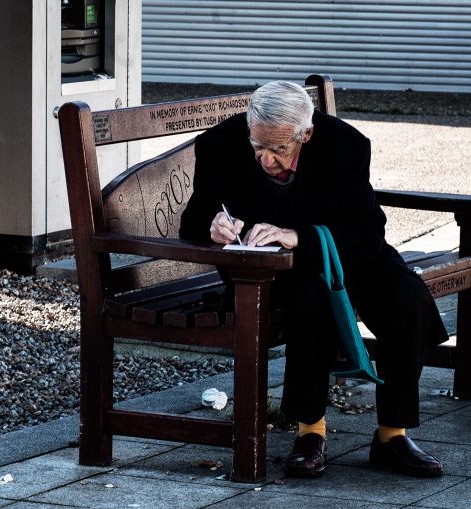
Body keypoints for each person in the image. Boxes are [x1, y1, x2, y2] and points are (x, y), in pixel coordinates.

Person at [179, 80, 449, 478]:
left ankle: (392, 435)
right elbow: (194, 219)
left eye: (279, 149)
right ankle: (310, 432)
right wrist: (213, 225)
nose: (267, 160)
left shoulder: (347, 145)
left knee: (407, 297)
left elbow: (368, 231)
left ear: (306, 133)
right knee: (311, 298)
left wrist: (300, 236)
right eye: (258, 147)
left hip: (346, 251)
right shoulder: (219, 144)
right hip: (272, 269)